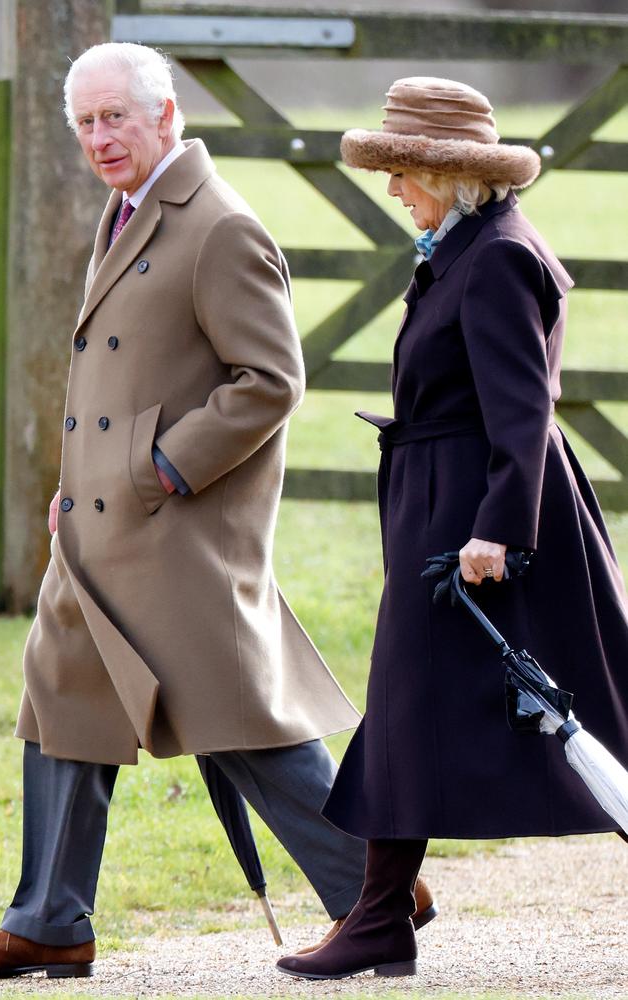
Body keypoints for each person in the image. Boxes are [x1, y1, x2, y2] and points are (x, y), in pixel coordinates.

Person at [0, 46, 438, 979]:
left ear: (166, 115)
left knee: (243, 729)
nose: (100, 137)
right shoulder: (125, 213)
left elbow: (270, 381)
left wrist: (160, 469)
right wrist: (80, 485)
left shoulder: (219, 225)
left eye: (116, 117)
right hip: (94, 531)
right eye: (86, 123)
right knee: (62, 700)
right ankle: (50, 923)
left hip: (176, 534)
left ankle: (377, 887)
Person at [276, 76, 628, 981]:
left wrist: (497, 534)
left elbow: (524, 411)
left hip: (481, 516)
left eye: (403, 172)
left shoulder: (498, 255)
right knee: (415, 705)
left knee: (578, 707)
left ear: (454, 176)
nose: (394, 190)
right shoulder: (463, 244)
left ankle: (379, 919)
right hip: (446, 502)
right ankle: (380, 918)